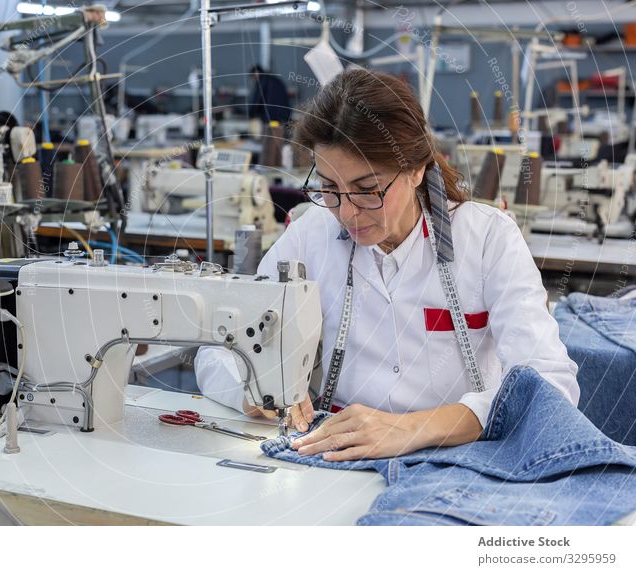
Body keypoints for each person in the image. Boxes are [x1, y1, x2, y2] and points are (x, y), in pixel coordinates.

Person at [195, 68, 579, 462]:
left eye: (367, 190)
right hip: (338, 452)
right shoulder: (311, 235)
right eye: (328, 189)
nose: (346, 212)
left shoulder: (487, 239)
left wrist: (412, 428)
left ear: (415, 169)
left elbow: (550, 384)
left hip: (458, 454)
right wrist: (254, 391)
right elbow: (215, 351)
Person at [248, 65, 291, 167]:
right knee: (278, 145)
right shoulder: (276, 80)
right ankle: (278, 166)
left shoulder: (262, 81)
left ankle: (267, 168)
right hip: (282, 118)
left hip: (270, 119)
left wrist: (251, 114)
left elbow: (257, 100)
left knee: (268, 146)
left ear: (255, 74)